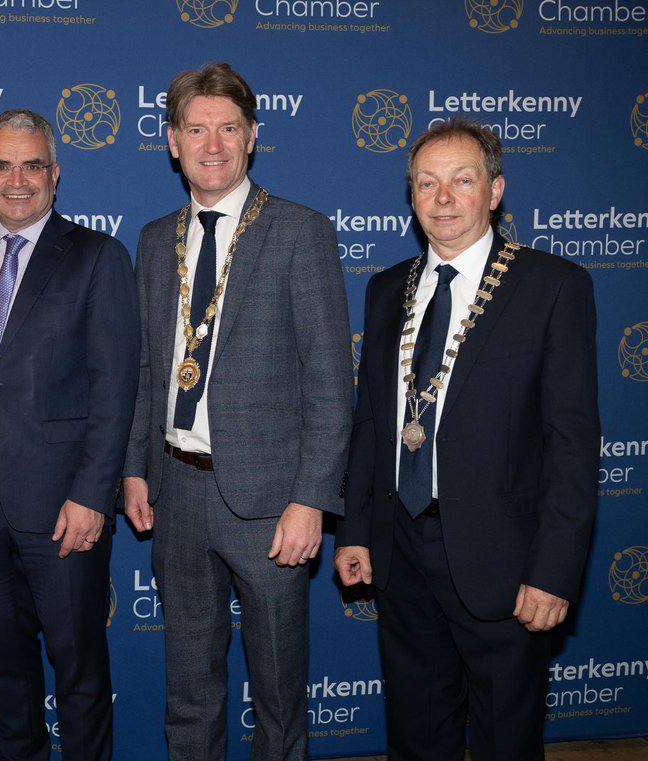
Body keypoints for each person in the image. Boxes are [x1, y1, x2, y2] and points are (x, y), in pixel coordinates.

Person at [334, 119, 599, 761]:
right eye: (427, 183)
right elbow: (371, 420)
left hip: (504, 564)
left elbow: (572, 443)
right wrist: (356, 530)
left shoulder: (552, 286)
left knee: (507, 740)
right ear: (413, 197)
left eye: (461, 180)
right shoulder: (384, 289)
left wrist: (553, 572)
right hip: (401, 555)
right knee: (416, 733)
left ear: (495, 190)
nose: (443, 197)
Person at [122, 63, 352, 760]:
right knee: (189, 689)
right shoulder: (155, 239)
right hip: (177, 493)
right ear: (171, 141)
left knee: (280, 693)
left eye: (228, 128)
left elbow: (331, 382)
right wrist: (134, 469)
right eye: (196, 129)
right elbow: (146, 371)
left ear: (253, 137)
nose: (212, 143)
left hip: (271, 502)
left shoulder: (298, 232)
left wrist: (312, 498)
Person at [0, 109, 139, 761]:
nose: (17, 180)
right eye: (2, 165)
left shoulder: (97, 256)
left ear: (55, 174)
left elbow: (116, 388)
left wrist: (91, 493)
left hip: (63, 508)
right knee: (6, 672)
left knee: (79, 674)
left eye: (31, 165)